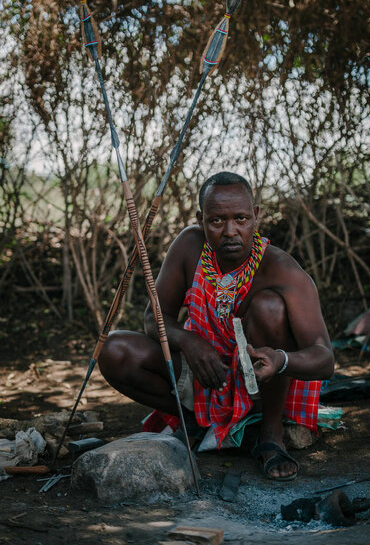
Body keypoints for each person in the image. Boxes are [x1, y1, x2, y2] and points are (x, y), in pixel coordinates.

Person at [99, 172, 334, 481]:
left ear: (256, 217)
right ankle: (191, 422)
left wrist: (279, 360)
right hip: (205, 373)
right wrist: (189, 341)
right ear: (200, 220)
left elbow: (324, 358)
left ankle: (270, 432)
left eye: (241, 219)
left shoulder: (280, 268)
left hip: (259, 383)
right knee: (112, 349)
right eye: (217, 221)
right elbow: (152, 319)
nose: (230, 232)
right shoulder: (188, 246)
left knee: (270, 308)